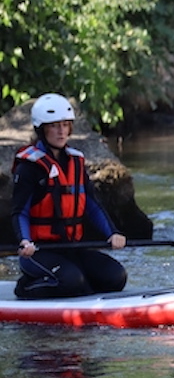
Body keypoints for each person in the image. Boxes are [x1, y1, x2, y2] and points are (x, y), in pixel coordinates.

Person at [10, 93, 127, 300]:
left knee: (116, 277)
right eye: (54, 126)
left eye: (65, 125)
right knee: (72, 282)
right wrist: (25, 241)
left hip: (71, 248)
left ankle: (77, 284)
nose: (61, 131)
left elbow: (92, 204)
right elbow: (20, 212)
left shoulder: (76, 161)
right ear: (42, 129)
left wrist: (112, 233)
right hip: (38, 253)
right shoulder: (29, 167)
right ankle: (24, 287)